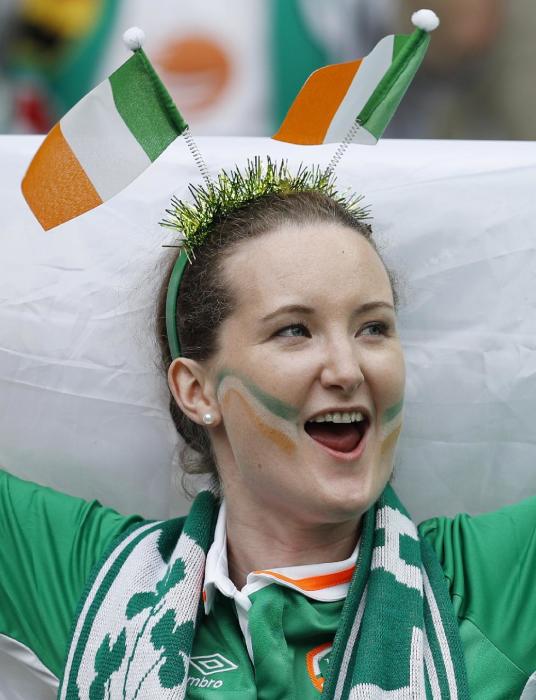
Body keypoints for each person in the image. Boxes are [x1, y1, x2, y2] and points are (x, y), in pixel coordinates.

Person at [1, 159, 536, 699]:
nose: (348, 370)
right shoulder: (100, 583)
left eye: (373, 327)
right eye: (295, 331)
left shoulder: (487, 581)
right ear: (197, 390)